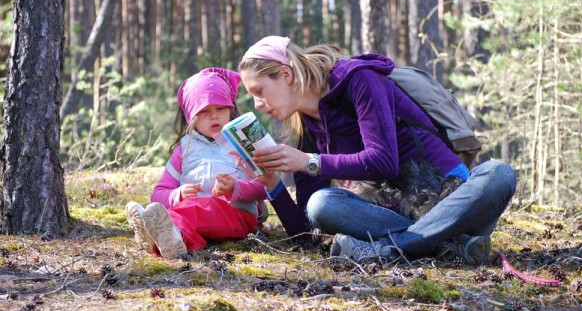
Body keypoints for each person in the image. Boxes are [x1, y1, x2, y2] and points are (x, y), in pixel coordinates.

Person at [237, 35, 517, 266]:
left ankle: (389, 249)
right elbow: (305, 234)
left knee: (499, 173)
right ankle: (447, 244)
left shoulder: (360, 81)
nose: (258, 103)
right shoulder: (307, 129)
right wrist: (272, 184)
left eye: (259, 90)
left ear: (285, 74)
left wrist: (311, 162)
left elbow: (383, 162)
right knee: (321, 204)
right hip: (390, 213)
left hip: (449, 198)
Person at [126, 67, 269, 259]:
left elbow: (266, 187)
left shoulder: (243, 143)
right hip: (196, 218)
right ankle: (168, 242)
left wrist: (236, 188)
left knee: (195, 210)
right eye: (204, 111)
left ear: (231, 108)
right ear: (191, 117)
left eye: (220, 108)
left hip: (237, 216)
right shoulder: (184, 150)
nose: (214, 115)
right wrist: (178, 194)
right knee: (190, 217)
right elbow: (158, 194)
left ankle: (157, 228)